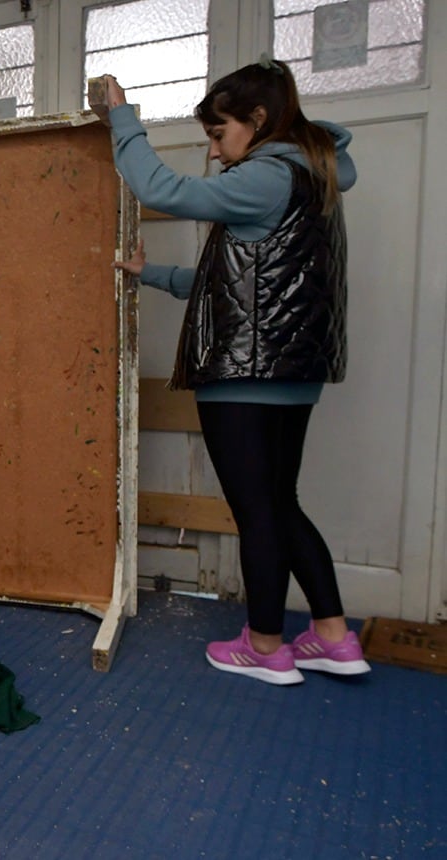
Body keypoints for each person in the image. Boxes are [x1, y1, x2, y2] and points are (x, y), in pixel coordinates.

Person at [99, 57, 370, 685]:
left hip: (246, 374)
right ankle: (332, 636)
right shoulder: (313, 180)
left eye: (219, 135)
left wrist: (122, 117)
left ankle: (267, 646)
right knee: (280, 504)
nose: (216, 152)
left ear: (258, 120)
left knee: (258, 515)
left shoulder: (268, 175)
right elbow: (249, 281)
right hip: (292, 372)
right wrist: (155, 275)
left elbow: (164, 190)